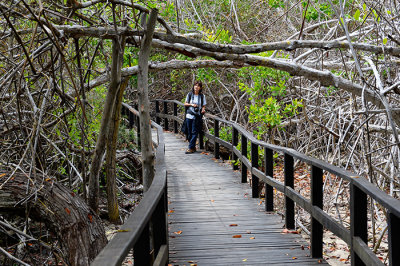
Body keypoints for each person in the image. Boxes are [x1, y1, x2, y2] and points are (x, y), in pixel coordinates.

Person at [184, 80, 206, 154]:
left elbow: (203, 105)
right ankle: (193, 147)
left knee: (194, 132)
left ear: (200, 88)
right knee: (189, 133)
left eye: (198, 86)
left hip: (197, 117)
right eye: (195, 85)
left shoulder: (202, 96)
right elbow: (185, 103)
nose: (196, 87)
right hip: (189, 115)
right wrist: (192, 105)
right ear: (193, 86)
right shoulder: (189, 94)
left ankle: (190, 148)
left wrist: (203, 110)